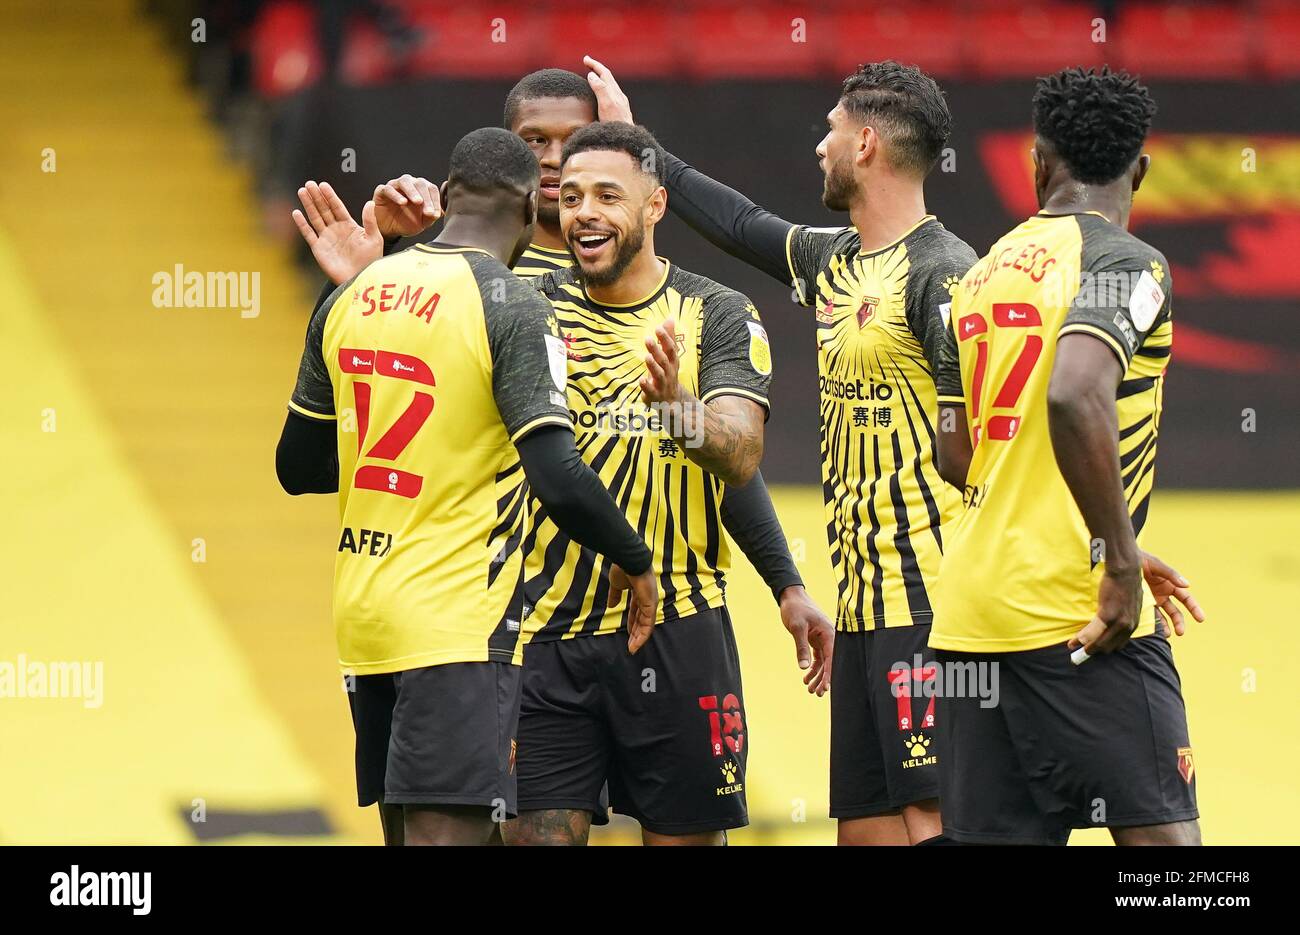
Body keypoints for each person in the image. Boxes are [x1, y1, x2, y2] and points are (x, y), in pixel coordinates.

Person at [586, 57, 975, 845]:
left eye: (829, 133)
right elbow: (736, 222)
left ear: (866, 144)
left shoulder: (944, 273)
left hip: (932, 600)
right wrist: (637, 145)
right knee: (865, 833)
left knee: (937, 821)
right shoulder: (837, 260)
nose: (819, 149)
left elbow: (986, 441)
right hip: (864, 608)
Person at [275, 127, 657, 845]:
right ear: (525, 207)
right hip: (452, 623)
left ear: (447, 197)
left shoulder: (353, 292)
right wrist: (634, 557)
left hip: (364, 618)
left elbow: (297, 467)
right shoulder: (508, 302)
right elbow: (557, 474)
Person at [931, 67, 1205, 845]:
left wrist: (1098, 526)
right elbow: (1072, 392)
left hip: (971, 623)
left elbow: (959, 457)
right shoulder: (1127, 263)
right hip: (1077, 617)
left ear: (1036, 163)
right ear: (1140, 171)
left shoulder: (976, 278)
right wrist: (1116, 559)